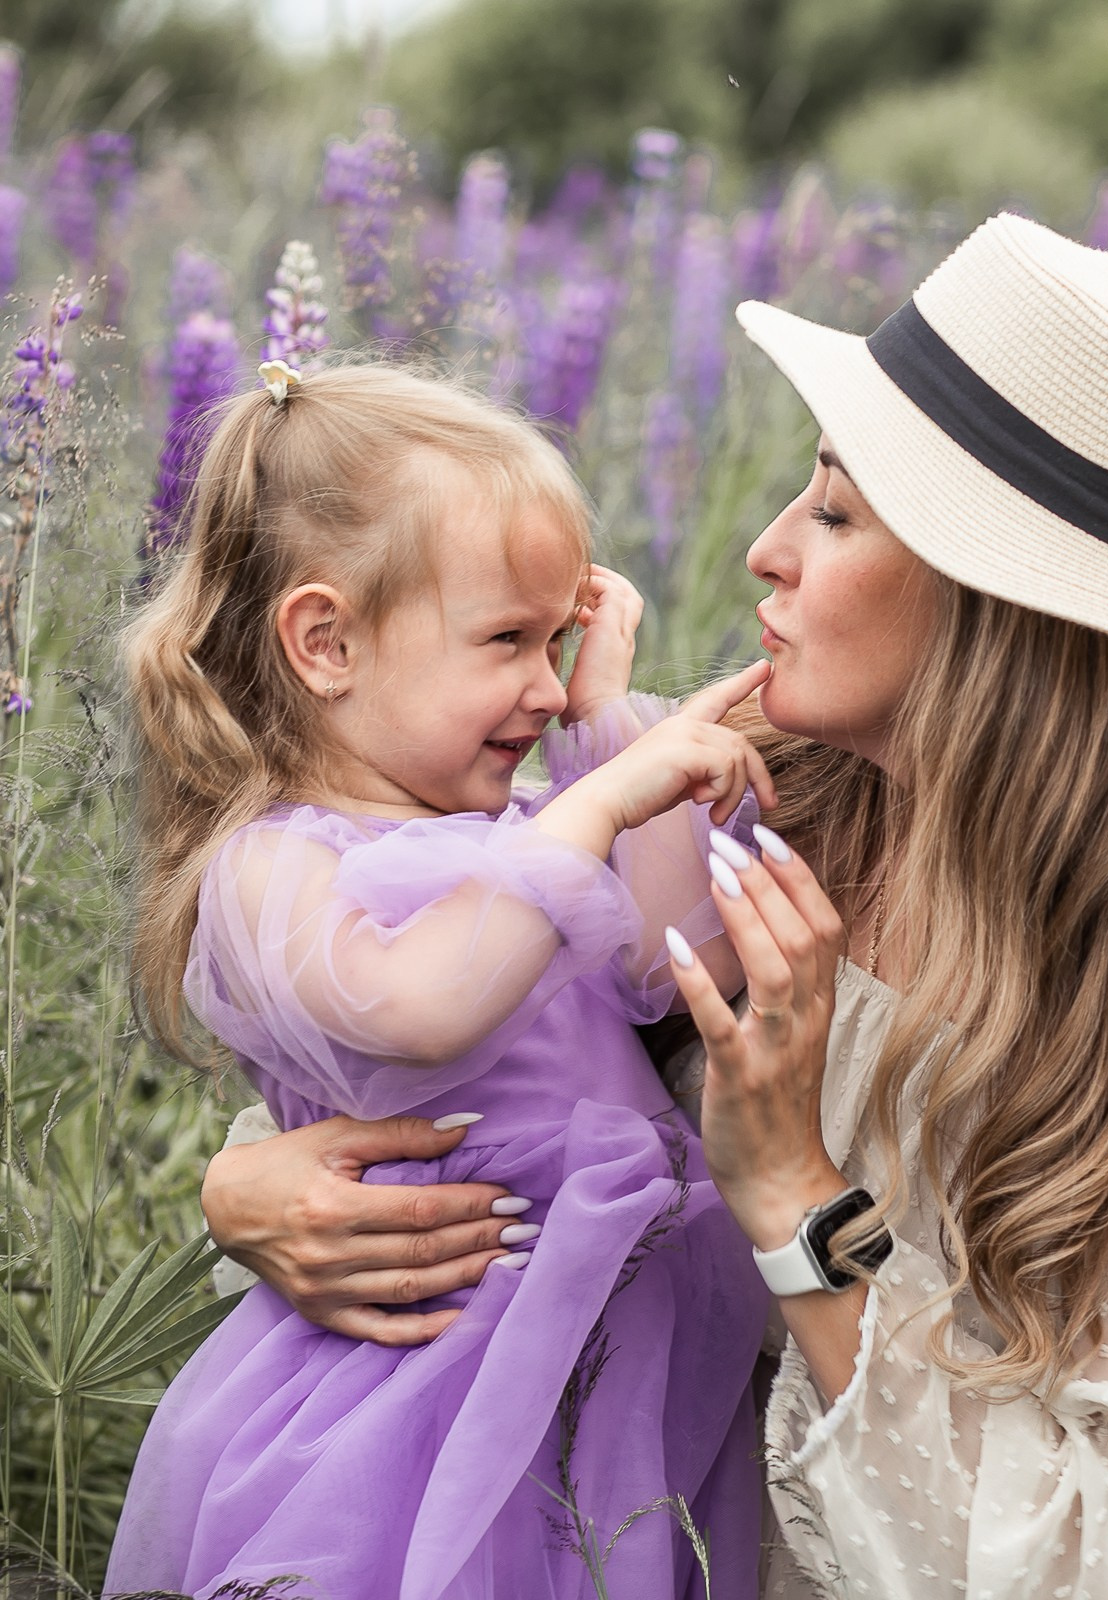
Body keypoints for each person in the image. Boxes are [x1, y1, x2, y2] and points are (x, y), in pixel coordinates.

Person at [200, 212, 1108, 1596]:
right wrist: (243, 1194)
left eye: (835, 511)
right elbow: (452, 1051)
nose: (765, 551)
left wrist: (788, 1187)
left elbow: (1081, 1569)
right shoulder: (770, 793)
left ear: (1001, 608)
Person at [106, 362, 779, 1600]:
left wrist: (604, 721)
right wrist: (597, 805)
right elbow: (421, 1010)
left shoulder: (522, 828)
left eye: (554, 638)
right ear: (327, 642)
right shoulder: (274, 862)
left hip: (616, 1370)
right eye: (506, 640)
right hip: (420, 1397)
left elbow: (677, 958)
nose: (539, 679)